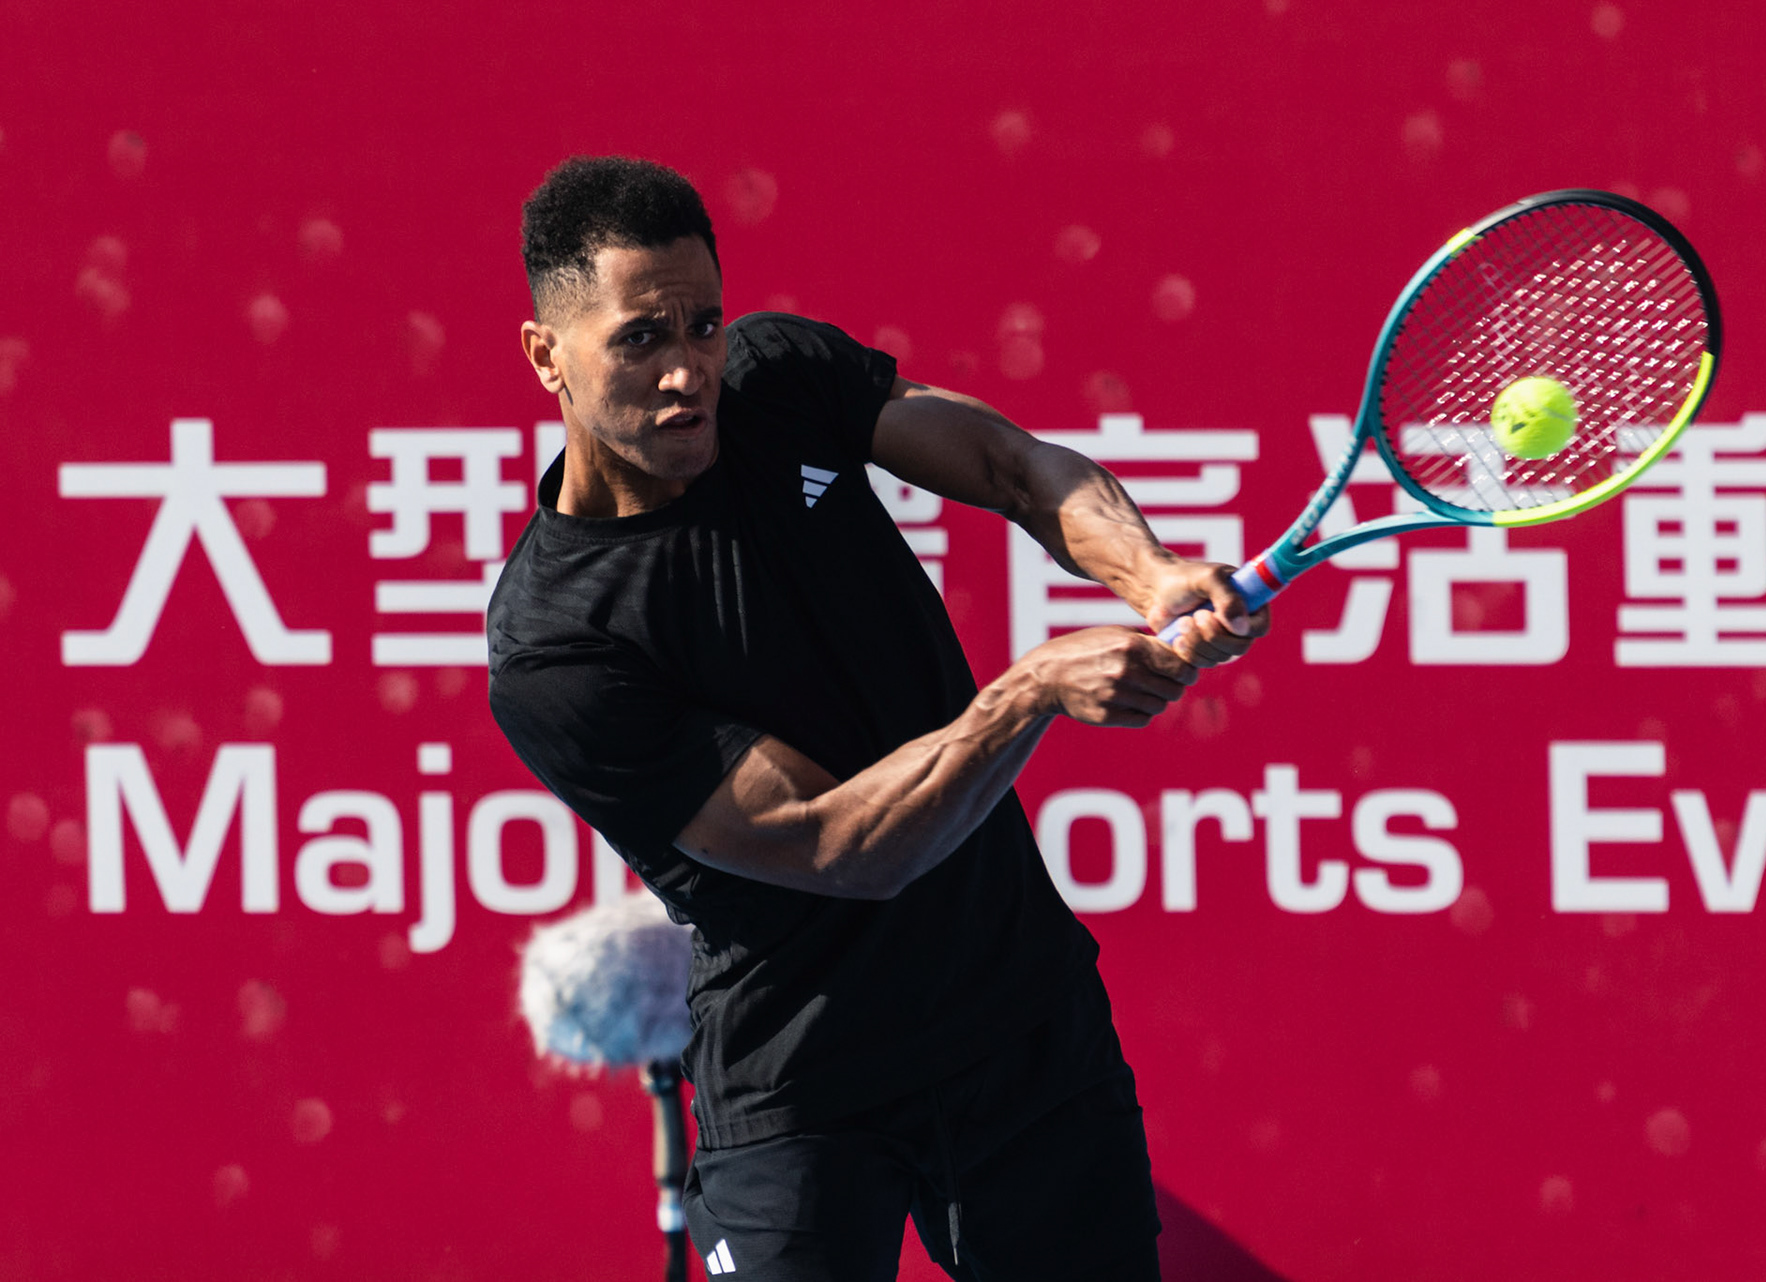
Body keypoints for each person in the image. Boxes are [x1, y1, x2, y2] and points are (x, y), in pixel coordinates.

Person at [488, 156, 1268, 1282]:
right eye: (641, 338)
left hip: (1019, 1025)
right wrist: (1032, 688)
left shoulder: (779, 379)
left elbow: (1010, 464)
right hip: (802, 1079)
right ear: (545, 353)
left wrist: (1146, 575)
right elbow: (836, 843)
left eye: (703, 324)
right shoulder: (558, 645)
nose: (687, 370)